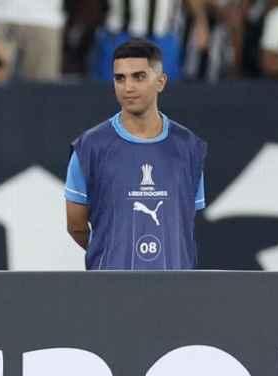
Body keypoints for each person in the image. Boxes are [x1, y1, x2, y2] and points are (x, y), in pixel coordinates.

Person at [64, 39, 207, 270]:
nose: (128, 87)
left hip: (176, 293)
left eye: (139, 77)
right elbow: (76, 226)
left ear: (161, 81)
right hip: (110, 293)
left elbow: (184, 220)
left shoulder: (189, 146)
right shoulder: (89, 146)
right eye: (120, 78)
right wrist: (111, 255)